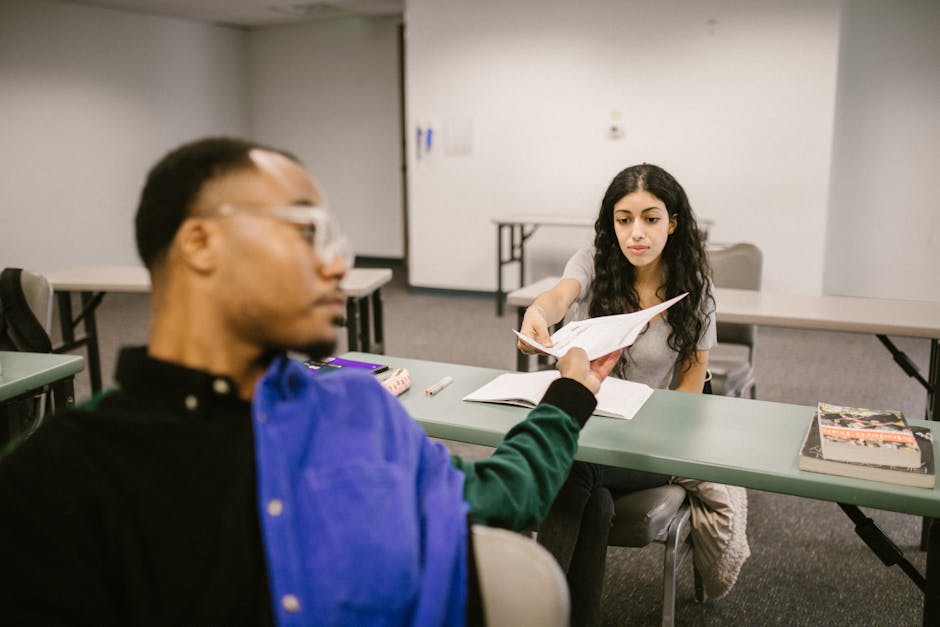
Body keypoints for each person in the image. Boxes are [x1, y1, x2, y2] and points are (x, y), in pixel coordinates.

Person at [0, 137, 620, 626]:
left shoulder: (357, 408)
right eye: (306, 232)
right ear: (201, 243)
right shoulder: (61, 481)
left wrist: (568, 395)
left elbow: (505, 496)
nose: (337, 262)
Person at [517, 163, 717, 625]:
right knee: (595, 502)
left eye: (650, 218)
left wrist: (640, 434)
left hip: (653, 444)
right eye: (623, 220)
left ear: (674, 222)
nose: (636, 234)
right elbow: (560, 296)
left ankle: (529, 611)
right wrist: (538, 313)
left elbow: (688, 399)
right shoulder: (593, 261)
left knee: (572, 464)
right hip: (594, 431)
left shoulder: (698, 293)